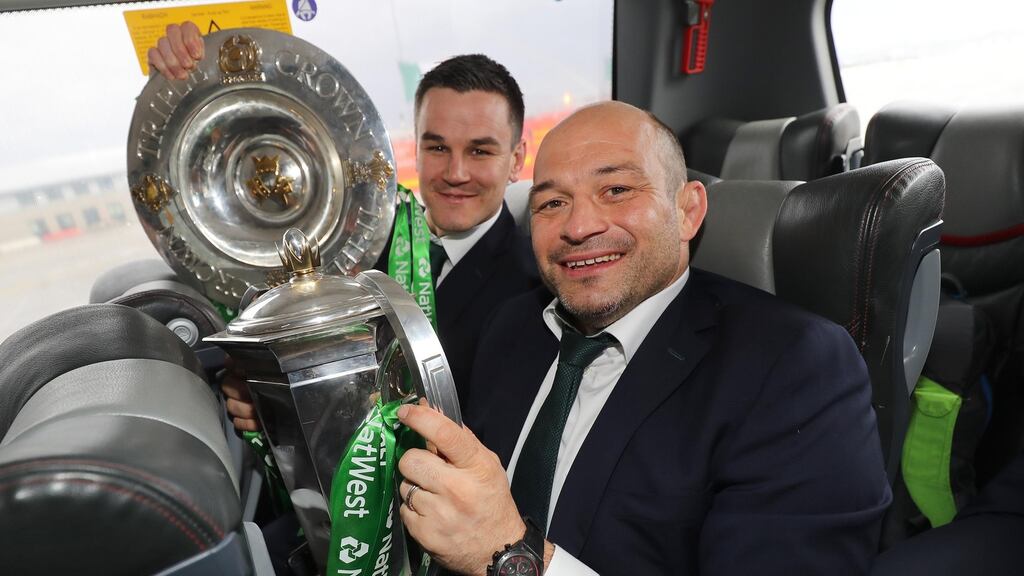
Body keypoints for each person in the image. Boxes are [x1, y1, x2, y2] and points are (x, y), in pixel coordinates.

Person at [393, 101, 892, 575]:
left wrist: (506, 555)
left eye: (616, 191)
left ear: (688, 212)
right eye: (552, 202)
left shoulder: (795, 370)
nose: (579, 226)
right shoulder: (511, 327)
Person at [146, 24, 542, 429]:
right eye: (437, 147)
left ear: (516, 159)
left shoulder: (534, 291)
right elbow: (245, 274)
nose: (456, 173)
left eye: (480, 151)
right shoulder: (356, 237)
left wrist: (292, 417)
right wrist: (184, 78)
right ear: (416, 150)